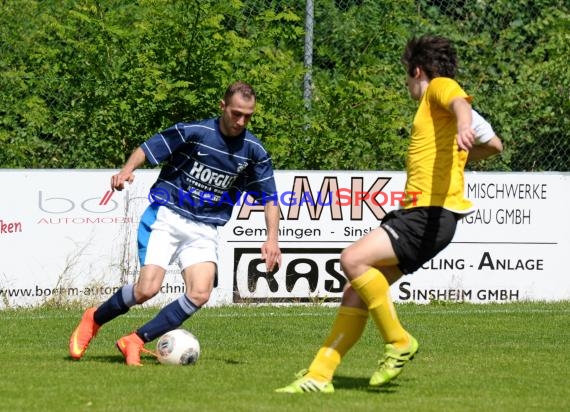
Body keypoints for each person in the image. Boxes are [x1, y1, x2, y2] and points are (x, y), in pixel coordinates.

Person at [276, 35, 480, 393]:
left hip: (429, 213)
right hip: (424, 215)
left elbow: (460, 102)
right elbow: (493, 144)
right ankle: (320, 374)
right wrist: (464, 148)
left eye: (406, 75)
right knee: (355, 291)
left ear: (417, 70)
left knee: (352, 259)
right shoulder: (434, 112)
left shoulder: (438, 89)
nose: (406, 83)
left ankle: (399, 341)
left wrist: (465, 125)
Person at [69, 81, 282, 366]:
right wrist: (127, 170)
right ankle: (94, 318)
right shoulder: (194, 132)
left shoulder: (253, 150)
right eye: (235, 113)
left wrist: (272, 239)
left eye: (248, 116)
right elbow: (147, 148)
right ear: (222, 107)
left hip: (204, 227)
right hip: (168, 215)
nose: (241, 121)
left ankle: (134, 340)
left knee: (200, 293)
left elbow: (270, 198)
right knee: (147, 289)